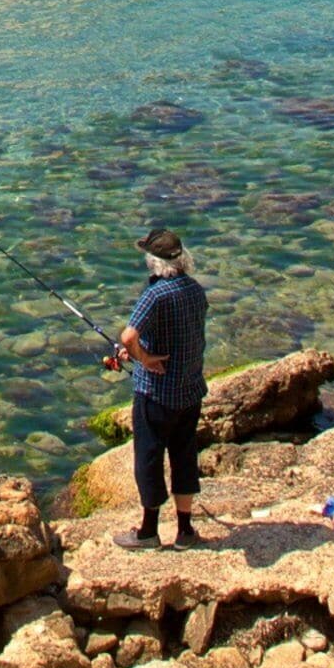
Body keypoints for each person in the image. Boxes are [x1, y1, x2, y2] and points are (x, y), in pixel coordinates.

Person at [105, 227, 209, 550]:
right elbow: (183, 334)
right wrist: (139, 352)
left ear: (154, 261)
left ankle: (149, 531)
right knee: (184, 457)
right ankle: (185, 531)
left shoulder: (155, 294)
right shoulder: (195, 290)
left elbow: (128, 336)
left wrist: (143, 358)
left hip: (156, 394)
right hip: (189, 390)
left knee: (149, 458)